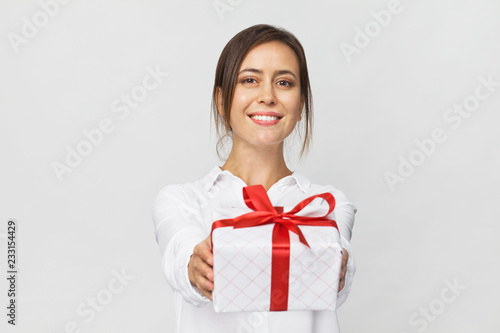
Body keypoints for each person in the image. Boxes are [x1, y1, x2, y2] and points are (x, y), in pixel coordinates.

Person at [153, 24, 357, 333]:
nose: (267, 96)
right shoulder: (182, 201)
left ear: (300, 104)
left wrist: (338, 266)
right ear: (221, 101)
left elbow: (335, 272)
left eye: (284, 83)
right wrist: (195, 269)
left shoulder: (325, 205)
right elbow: (181, 257)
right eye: (250, 80)